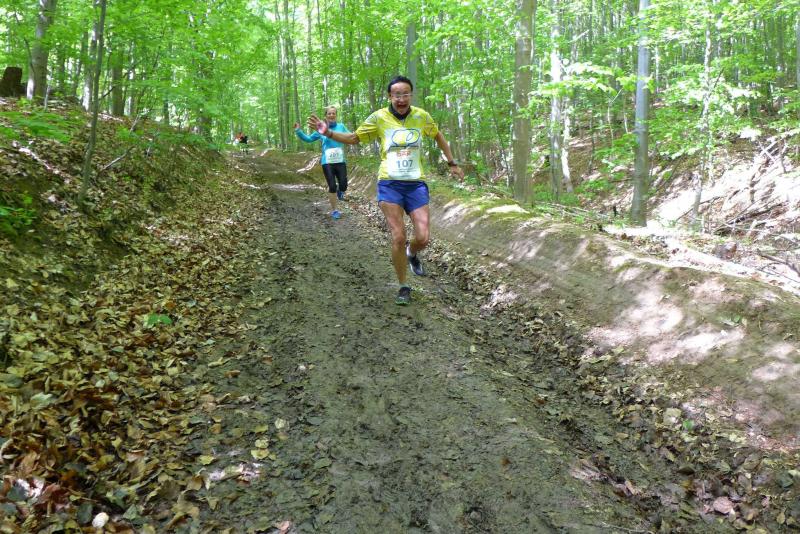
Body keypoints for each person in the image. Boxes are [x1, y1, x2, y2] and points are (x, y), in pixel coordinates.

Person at [307, 75, 463, 305]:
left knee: (423, 238)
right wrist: (328, 133)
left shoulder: (422, 116)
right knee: (398, 236)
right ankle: (403, 286)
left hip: (416, 184)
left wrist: (452, 163)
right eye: (397, 94)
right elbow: (354, 138)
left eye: (405, 94)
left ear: (411, 95)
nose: (401, 98)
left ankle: (411, 253)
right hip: (389, 183)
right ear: (390, 96)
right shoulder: (379, 117)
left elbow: (438, 135)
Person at [294, 106, 350, 220]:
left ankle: (341, 191)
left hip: (340, 161)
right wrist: (298, 131)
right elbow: (309, 139)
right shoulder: (321, 128)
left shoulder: (341, 127)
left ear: (336, 115)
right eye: (329, 113)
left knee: (343, 185)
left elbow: (351, 137)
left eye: (333, 113)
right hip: (327, 162)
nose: (331, 115)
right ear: (326, 116)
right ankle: (334, 210)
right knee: (332, 186)